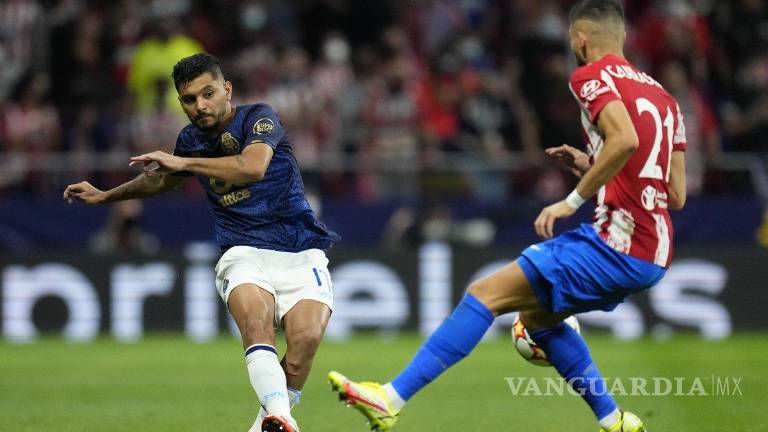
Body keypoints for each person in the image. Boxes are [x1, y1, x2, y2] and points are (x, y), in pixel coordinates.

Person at [327, 1, 686, 431]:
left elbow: (624, 140)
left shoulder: (590, 76)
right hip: (654, 251)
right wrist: (591, 166)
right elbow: (675, 194)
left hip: (616, 244)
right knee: (538, 321)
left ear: (579, 39)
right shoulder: (665, 99)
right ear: (623, 35)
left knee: (484, 294)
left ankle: (389, 398)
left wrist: (571, 200)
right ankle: (615, 421)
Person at [64, 53, 339, 432]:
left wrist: (185, 163)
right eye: (189, 99)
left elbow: (252, 167)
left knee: (305, 340)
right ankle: (281, 417)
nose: (200, 105)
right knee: (256, 324)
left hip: (301, 248)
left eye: (208, 94)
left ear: (227, 89)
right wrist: (104, 195)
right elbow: (161, 180)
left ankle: (270, 421)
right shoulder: (191, 140)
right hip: (242, 250)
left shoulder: (259, 117)